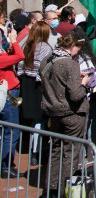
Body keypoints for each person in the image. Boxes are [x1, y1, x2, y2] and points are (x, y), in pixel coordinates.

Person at [39, 33, 90, 197]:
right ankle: (64, 191)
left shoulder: (46, 60)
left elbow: (56, 81)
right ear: (73, 46)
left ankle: (51, 188)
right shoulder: (70, 63)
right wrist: (84, 84)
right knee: (70, 154)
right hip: (72, 114)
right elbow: (76, 95)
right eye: (78, 48)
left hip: (54, 113)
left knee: (56, 151)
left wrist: (74, 79)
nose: (78, 52)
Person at [17, 21, 53, 165]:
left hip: (26, 84)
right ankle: (35, 152)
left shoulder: (26, 45)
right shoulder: (45, 47)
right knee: (40, 120)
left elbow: (19, 65)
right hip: (38, 85)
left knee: (35, 120)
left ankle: (34, 149)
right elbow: (45, 68)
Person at [0, 29, 24, 179]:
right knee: (12, 131)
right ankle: (6, 166)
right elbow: (20, 56)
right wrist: (14, 41)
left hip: (8, 93)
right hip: (8, 95)